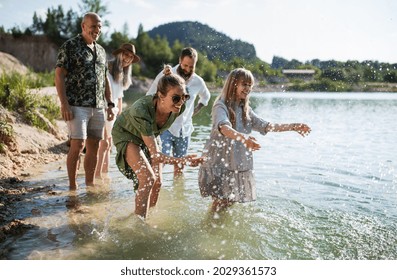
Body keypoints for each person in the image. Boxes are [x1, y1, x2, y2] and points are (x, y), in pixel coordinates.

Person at [198, 68, 311, 212]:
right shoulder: (221, 106)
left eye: (250, 85)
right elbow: (223, 127)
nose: (248, 88)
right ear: (233, 84)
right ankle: (209, 229)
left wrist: (293, 126)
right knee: (220, 203)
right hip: (220, 162)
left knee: (229, 202)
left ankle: (213, 229)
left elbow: (267, 126)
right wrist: (244, 138)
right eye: (244, 84)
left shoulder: (245, 109)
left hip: (236, 163)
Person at [112, 74, 203, 219]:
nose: (180, 102)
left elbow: (157, 140)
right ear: (161, 96)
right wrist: (182, 160)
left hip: (151, 133)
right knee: (148, 178)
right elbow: (156, 156)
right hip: (127, 133)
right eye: (175, 98)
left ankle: (146, 214)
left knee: (157, 182)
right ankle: (139, 223)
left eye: (184, 97)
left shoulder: (180, 107)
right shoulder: (141, 111)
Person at [55, 12, 114, 190]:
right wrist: (64, 103)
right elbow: (59, 75)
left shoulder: (102, 51)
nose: (97, 30)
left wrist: (110, 103)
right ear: (83, 26)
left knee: (94, 146)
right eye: (93, 26)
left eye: (99, 26)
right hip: (76, 105)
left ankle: (89, 184)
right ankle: (72, 187)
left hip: (98, 107)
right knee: (78, 145)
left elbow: (105, 79)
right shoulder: (70, 46)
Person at [146, 47, 211, 177]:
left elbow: (206, 97)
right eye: (185, 65)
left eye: (191, 67)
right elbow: (149, 95)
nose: (187, 69)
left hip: (184, 130)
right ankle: (154, 189)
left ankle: (177, 194)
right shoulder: (167, 75)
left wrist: (193, 112)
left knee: (180, 166)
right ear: (180, 60)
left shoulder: (198, 81)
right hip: (165, 127)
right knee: (159, 162)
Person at [95, 43, 140, 179]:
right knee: (104, 143)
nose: (128, 59)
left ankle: (105, 174)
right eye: (126, 55)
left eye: (131, 57)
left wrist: (120, 117)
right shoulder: (106, 68)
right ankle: (96, 176)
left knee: (108, 145)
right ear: (120, 54)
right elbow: (100, 90)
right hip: (102, 108)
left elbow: (119, 97)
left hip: (113, 112)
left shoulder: (121, 73)